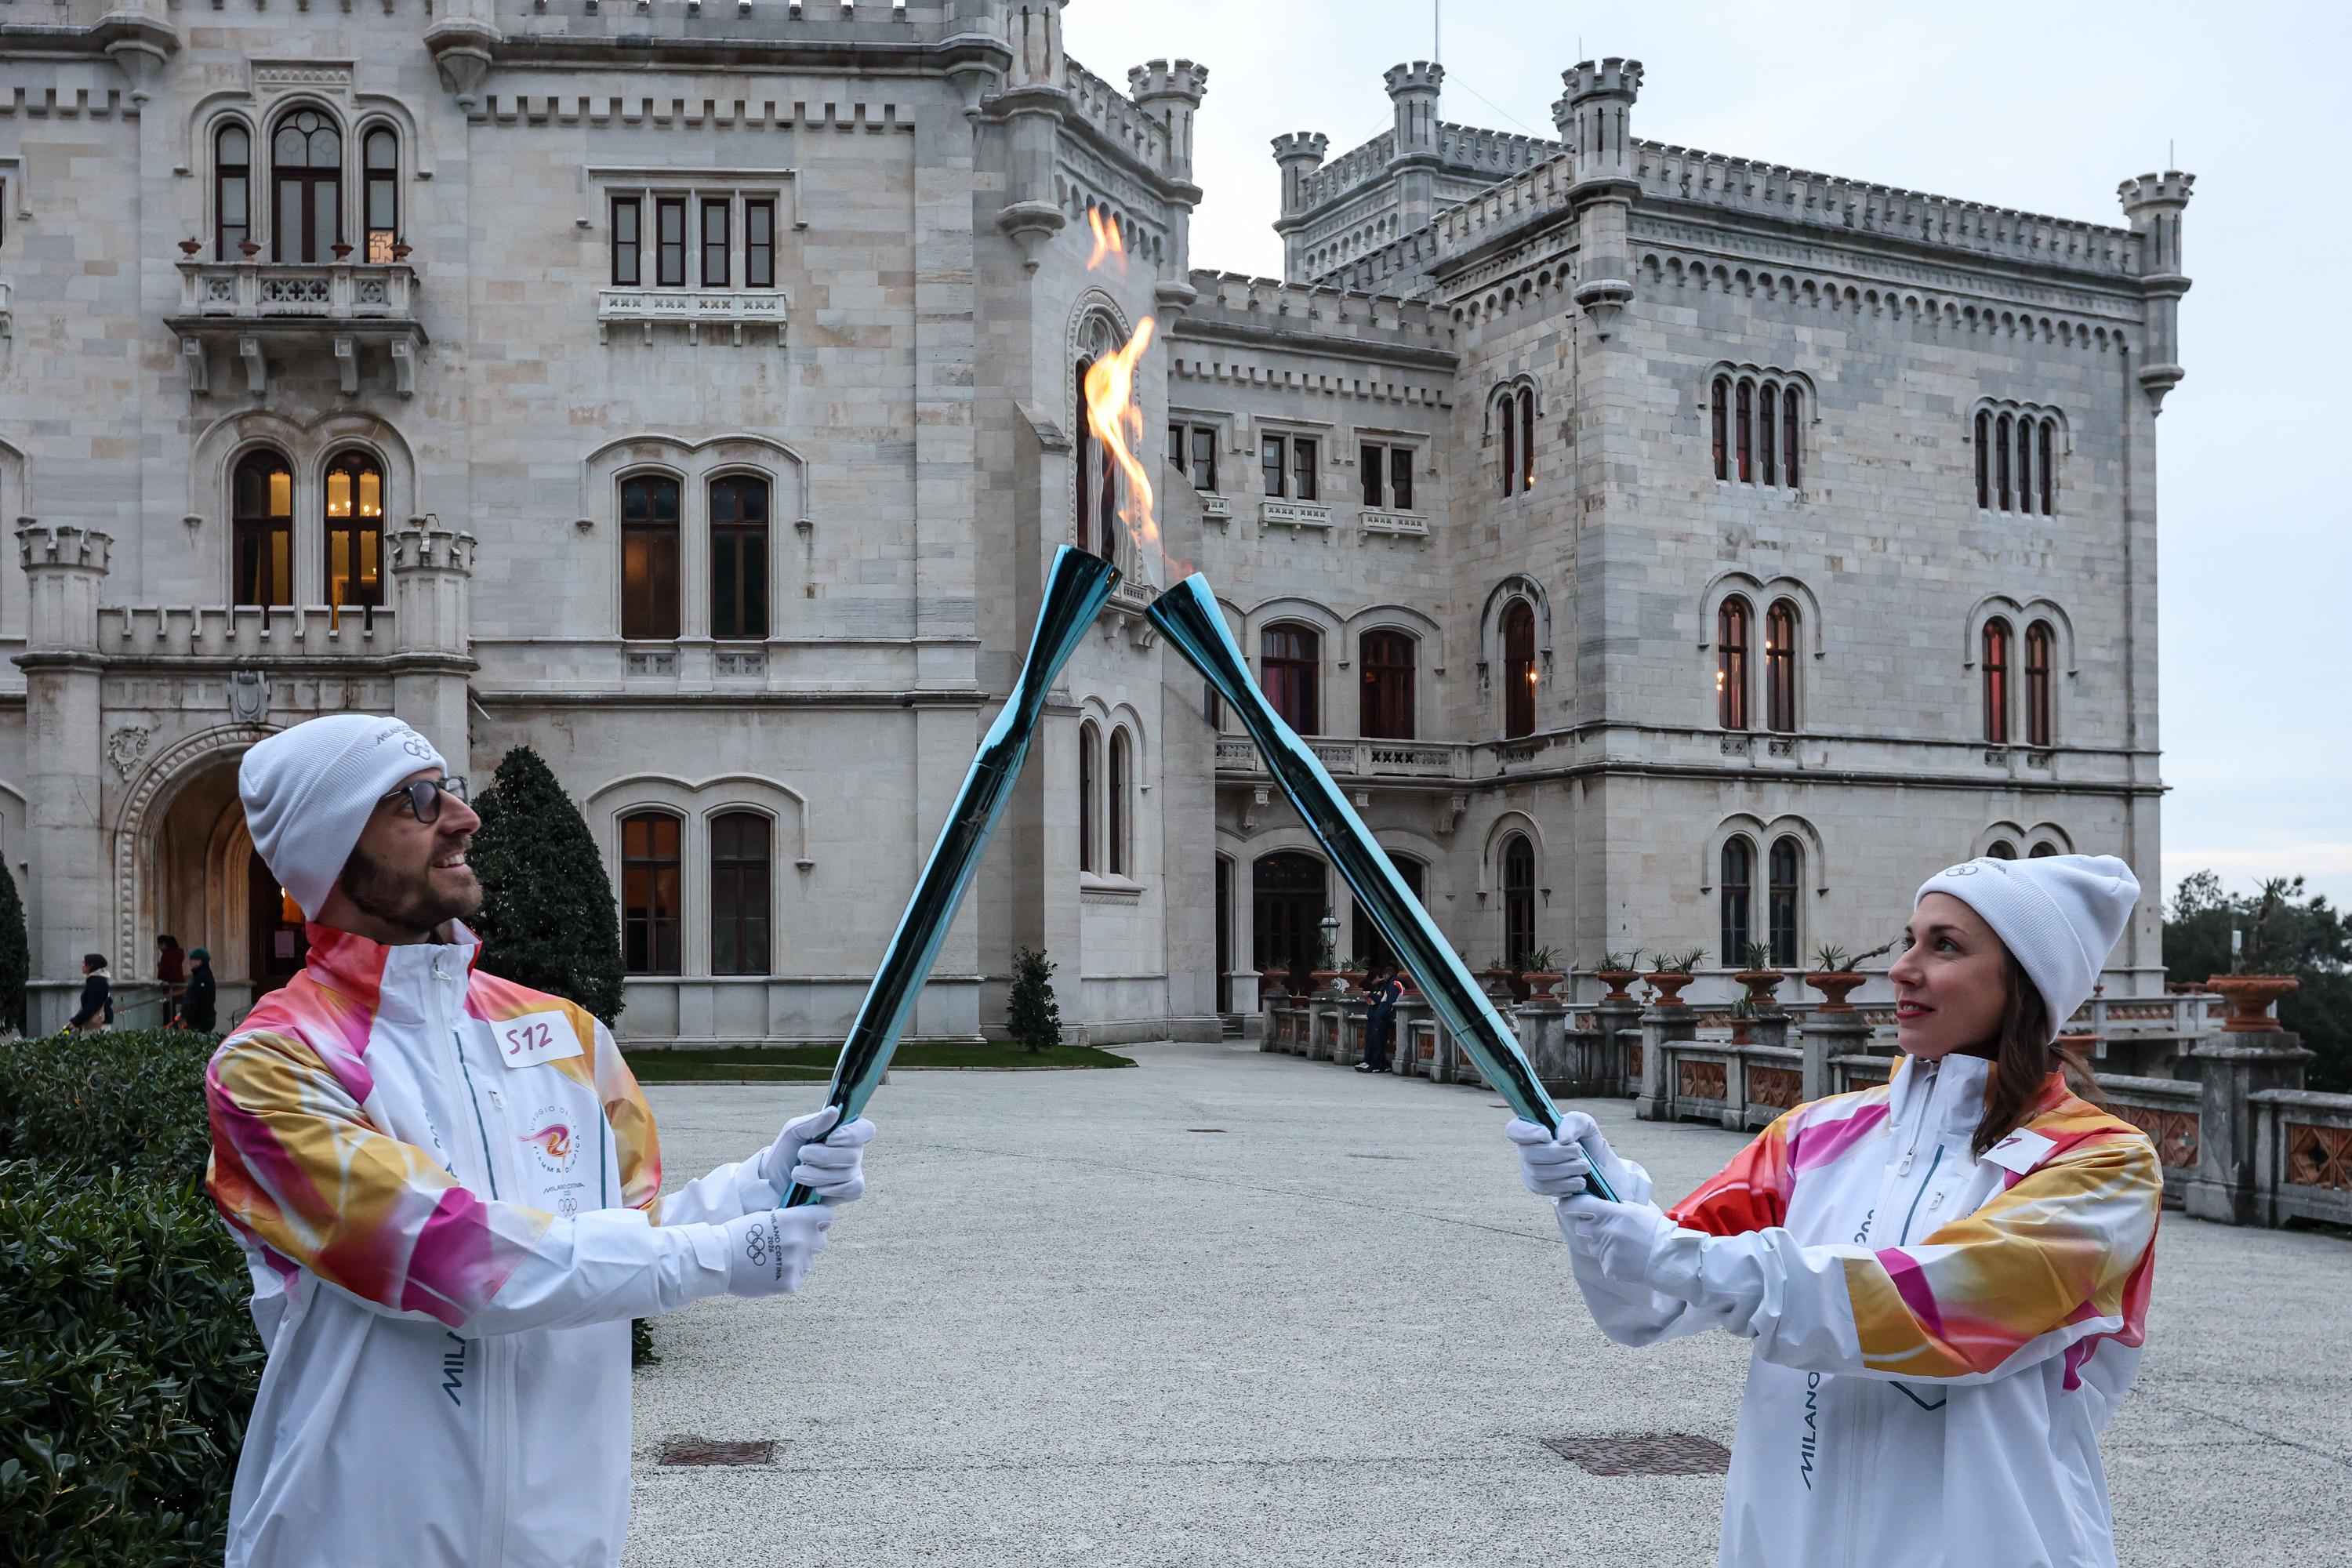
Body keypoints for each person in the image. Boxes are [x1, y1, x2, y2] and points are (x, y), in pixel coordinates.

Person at [205, 714, 876, 1568]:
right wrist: (721, 1255)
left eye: (451, 789)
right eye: (417, 799)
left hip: (561, 1538)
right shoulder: (271, 1064)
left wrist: (756, 1189)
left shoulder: (566, 1035)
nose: (464, 817)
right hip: (352, 1535)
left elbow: (624, 1235)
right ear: (330, 845)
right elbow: (449, 1259)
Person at [1507, 855, 2160, 1568]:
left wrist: (1671, 1252)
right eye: (1909, 940)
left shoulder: (2102, 1164)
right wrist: (1597, 1199)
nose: (1902, 969)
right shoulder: (1815, 1134)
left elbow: (1934, 1308)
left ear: (2026, 984)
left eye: (1944, 946)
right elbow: (1651, 1302)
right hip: (1792, 1543)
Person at [1355, 960, 1403, 1073]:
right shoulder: (1389, 984)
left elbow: (1388, 1002)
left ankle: (1376, 1064)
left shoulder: (1392, 985)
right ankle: (1374, 1063)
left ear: (1386, 975)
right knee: (1374, 1041)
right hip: (1378, 1016)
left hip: (1382, 1017)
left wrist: (1381, 1013)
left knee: (1377, 1042)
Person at [68, 953, 111, 1032]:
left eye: (84, 963)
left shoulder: (98, 981)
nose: (82, 965)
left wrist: (76, 1022)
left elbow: (93, 1005)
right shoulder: (95, 980)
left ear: (91, 965)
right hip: (93, 1024)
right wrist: (77, 1023)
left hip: (98, 1026)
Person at [180, 946, 217, 1033]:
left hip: (200, 1020)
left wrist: (194, 1020)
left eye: (192, 959)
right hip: (196, 1019)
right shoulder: (198, 976)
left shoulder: (203, 977)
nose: (190, 962)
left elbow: (202, 1001)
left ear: (200, 961)